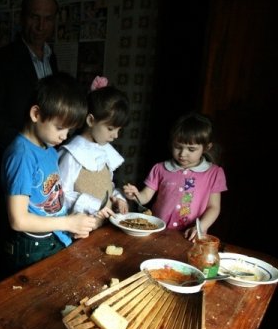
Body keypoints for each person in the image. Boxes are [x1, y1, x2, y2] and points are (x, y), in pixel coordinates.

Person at [1, 72, 97, 272]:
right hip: (32, 246)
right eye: (60, 128)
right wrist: (69, 223)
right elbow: (18, 220)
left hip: (53, 236)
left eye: (69, 131)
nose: (64, 137)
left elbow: (50, 201)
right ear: (36, 114)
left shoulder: (50, 150)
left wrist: (73, 225)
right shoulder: (22, 155)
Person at [123, 112, 227, 241]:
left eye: (191, 149)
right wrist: (136, 196)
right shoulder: (160, 168)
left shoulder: (214, 173)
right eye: (178, 147)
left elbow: (214, 207)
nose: (182, 154)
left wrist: (200, 227)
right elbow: (145, 197)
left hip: (191, 237)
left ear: (206, 147)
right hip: (157, 232)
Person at [0, 0, 59, 151]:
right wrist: (23, 145)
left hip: (47, 154)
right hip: (14, 156)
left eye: (48, 19)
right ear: (22, 18)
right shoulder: (1, 59)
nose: (41, 26)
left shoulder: (52, 58)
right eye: (34, 17)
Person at [58, 76, 130, 229]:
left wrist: (118, 198)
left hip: (104, 225)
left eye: (119, 130)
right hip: (81, 229)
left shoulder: (105, 151)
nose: (116, 136)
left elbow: (107, 185)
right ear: (91, 121)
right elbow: (61, 195)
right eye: (110, 129)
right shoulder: (72, 154)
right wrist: (94, 205)